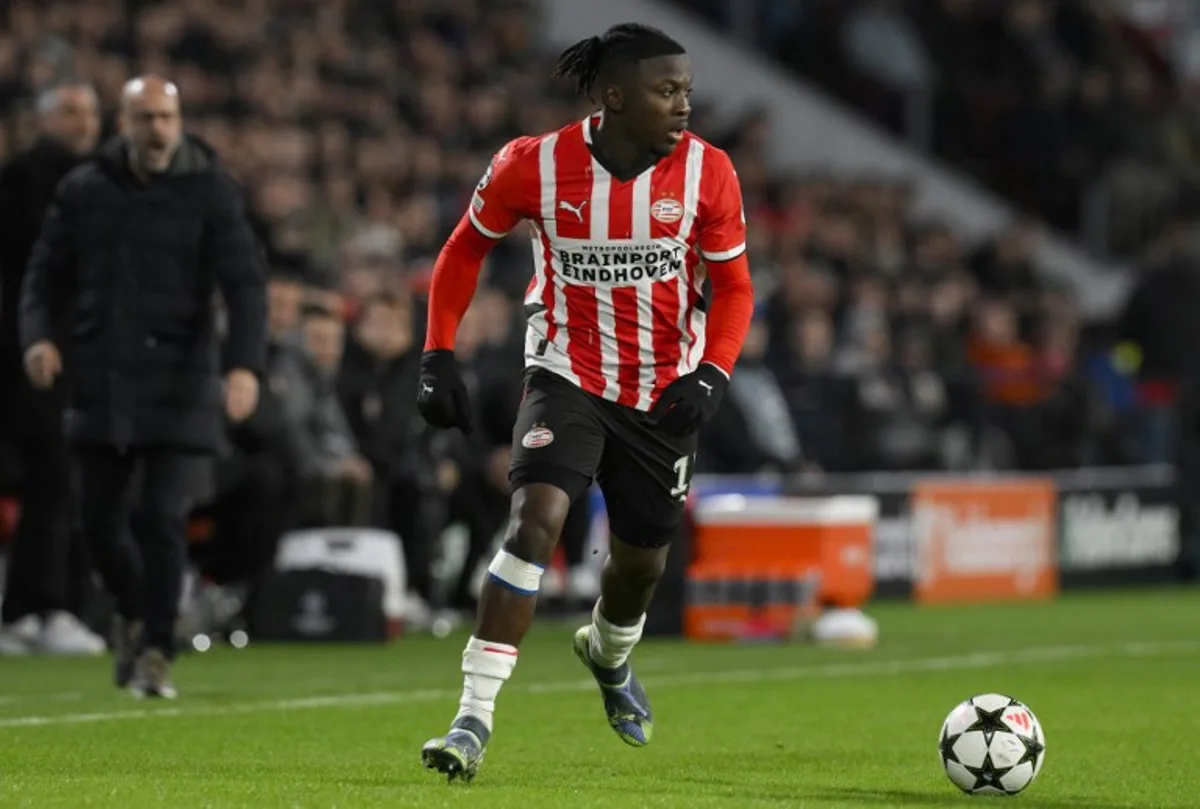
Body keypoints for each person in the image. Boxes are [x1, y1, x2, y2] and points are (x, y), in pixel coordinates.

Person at [416, 24, 754, 780]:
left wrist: (713, 374)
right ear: (613, 96)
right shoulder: (531, 165)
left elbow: (732, 286)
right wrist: (438, 353)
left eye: (687, 91)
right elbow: (462, 249)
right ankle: (472, 718)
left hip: (663, 390)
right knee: (534, 522)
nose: (683, 106)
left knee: (638, 567)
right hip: (565, 373)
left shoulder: (709, 173)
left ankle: (607, 654)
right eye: (667, 91)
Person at [19, 76, 267, 698]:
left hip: (181, 382)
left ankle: (156, 646)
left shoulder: (210, 191)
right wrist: (38, 337)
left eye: (166, 116)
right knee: (97, 521)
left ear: (179, 119)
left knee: (161, 516)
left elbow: (245, 285)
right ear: (122, 122)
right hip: (101, 378)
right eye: (144, 117)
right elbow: (43, 275)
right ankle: (134, 611)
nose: (156, 129)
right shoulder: (84, 191)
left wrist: (242, 365)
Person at [0, 79, 104, 656]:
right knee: (54, 475)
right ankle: (40, 607)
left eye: (89, 111)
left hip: (77, 354)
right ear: (44, 119)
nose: (82, 120)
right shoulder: (24, 178)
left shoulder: (98, 181)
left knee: (67, 478)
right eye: (69, 109)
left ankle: (46, 607)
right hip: (38, 354)